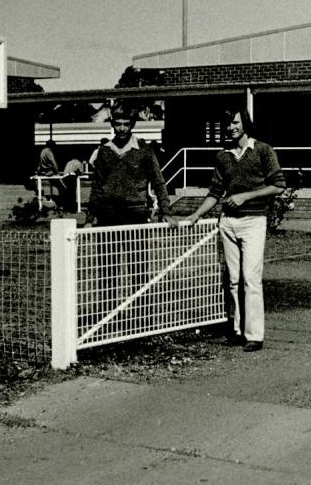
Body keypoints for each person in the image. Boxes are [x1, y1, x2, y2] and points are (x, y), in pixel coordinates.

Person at [183, 108, 285, 351]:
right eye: (228, 124)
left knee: (251, 278)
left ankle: (255, 335)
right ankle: (237, 330)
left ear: (246, 124)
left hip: (253, 221)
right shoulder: (223, 156)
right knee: (232, 279)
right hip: (227, 222)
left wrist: (245, 197)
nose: (231, 128)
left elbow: (278, 185)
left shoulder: (262, 150)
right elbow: (215, 192)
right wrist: (196, 214)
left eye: (235, 123)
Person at [85, 106, 176, 227]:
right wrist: (89, 219)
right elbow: (97, 185)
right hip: (107, 213)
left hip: (136, 213)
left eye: (126, 124)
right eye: (118, 124)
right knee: (108, 246)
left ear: (132, 125)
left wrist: (165, 212)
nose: (122, 129)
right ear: (112, 124)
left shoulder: (144, 150)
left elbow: (158, 182)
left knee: (137, 246)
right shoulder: (104, 151)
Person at [35, 139, 66, 206]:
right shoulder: (48, 152)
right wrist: (57, 171)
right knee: (61, 187)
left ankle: (61, 200)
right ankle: (63, 201)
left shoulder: (42, 151)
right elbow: (53, 162)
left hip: (44, 171)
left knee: (58, 186)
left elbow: (41, 163)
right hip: (49, 172)